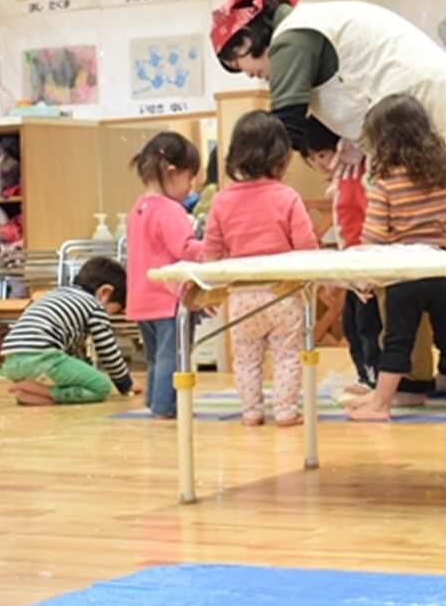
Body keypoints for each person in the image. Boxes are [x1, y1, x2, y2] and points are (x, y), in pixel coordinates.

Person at [212, 0, 446, 397]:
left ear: (245, 41)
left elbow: (285, 127)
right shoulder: (320, 19)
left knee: (402, 265)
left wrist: (254, 191)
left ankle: (409, 375)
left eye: (242, 65)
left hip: (425, 129)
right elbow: (363, 85)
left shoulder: (292, 38)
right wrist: (357, 140)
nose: (252, 75)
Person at [345, 95, 446, 421]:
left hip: (404, 274)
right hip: (441, 269)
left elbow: (374, 237)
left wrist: (363, 277)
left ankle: (380, 405)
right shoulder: (443, 175)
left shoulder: (385, 183)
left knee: (397, 343)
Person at [202, 111, 319, 427]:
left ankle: (251, 411)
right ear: (281, 156)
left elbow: (211, 249)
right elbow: (307, 246)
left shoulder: (222, 200)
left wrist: (209, 291)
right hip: (282, 293)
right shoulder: (286, 197)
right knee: (286, 355)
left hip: (241, 296)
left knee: (246, 358)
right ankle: (284, 411)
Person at [125, 131, 203, 419]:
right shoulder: (170, 210)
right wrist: (214, 246)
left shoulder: (138, 208)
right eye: (189, 178)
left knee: (155, 356)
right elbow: (183, 248)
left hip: (141, 298)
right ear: (172, 172)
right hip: (167, 299)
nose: (191, 187)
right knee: (174, 354)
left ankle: (154, 401)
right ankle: (165, 407)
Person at [303, 122, 382, 391]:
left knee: (365, 326)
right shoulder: (343, 177)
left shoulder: (355, 174)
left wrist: (366, 269)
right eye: (312, 159)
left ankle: (373, 379)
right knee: (352, 325)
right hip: (352, 261)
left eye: (323, 155)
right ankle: (366, 376)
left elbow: (368, 216)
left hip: (364, 262)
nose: (319, 164)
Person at [2, 257, 132, 407]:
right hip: (41, 359)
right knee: (100, 387)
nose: (108, 317)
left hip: (11, 361)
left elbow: (70, 353)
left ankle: (31, 393)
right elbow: (108, 352)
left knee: (76, 378)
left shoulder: (54, 294)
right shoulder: (94, 306)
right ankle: (43, 391)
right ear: (105, 292)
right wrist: (125, 384)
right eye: (112, 311)